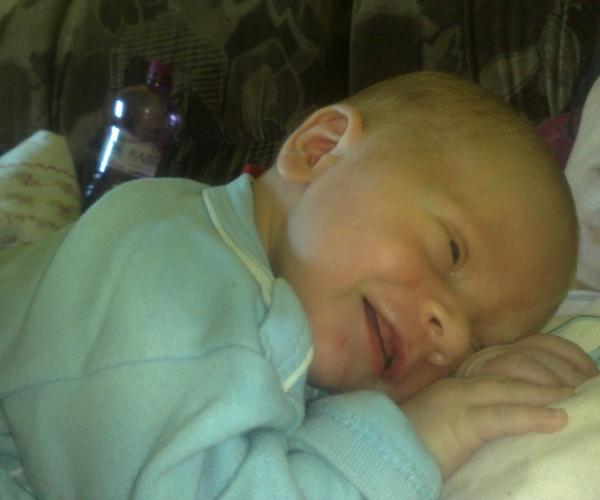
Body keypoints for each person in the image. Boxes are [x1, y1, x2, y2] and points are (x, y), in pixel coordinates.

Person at [0, 71, 596, 499]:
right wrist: (418, 435)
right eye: (452, 250)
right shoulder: (168, 278)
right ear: (319, 150)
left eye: (476, 341)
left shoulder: (285, 293)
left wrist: (472, 377)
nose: (452, 336)